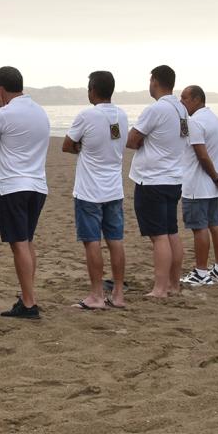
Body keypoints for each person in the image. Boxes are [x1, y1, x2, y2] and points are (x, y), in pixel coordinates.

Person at [0, 67, 50, 319]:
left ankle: (29, 302)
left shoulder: (4, 114)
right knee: (27, 241)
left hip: (13, 186)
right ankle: (27, 295)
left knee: (19, 244)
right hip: (37, 185)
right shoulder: (40, 112)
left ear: (0, 90)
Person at [62, 71, 128, 310]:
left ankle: (97, 294)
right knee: (115, 240)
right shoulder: (122, 114)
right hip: (114, 188)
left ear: (92, 90)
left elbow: (67, 144)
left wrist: (83, 147)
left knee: (92, 242)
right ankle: (118, 293)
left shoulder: (87, 115)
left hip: (89, 190)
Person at [126, 65, 191, 299]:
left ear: (154, 81)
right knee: (171, 232)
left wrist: (143, 141)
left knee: (159, 236)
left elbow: (132, 139)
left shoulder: (156, 109)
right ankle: (173, 284)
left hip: (153, 179)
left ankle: (160, 288)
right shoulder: (181, 109)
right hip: (173, 177)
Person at [179, 85, 218, 287]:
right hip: (214, 187)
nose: (181, 102)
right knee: (215, 225)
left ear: (196, 99)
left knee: (199, 228)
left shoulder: (194, 122)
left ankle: (201, 271)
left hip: (198, 184)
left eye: (184, 98)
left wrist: (217, 178)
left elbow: (202, 155)